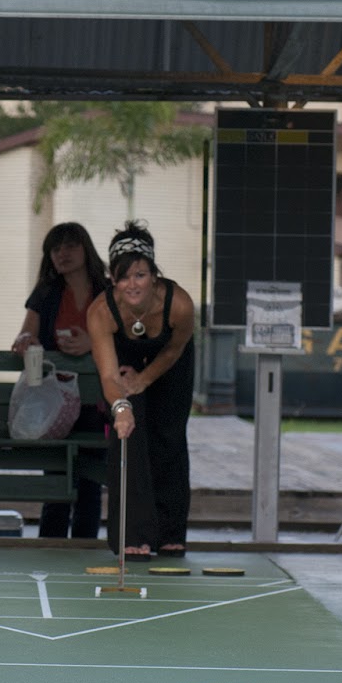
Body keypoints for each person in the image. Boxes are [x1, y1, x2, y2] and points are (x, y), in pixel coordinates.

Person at [87, 221, 196, 559]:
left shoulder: (180, 304)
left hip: (169, 362)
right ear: (113, 279)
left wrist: (144, 378)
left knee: (169, 435)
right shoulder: (101, 312)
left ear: (154, 275)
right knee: (129, 437)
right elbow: (107, 374)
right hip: (122, 365)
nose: (131, 285)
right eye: (123, 277)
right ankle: (132, 535)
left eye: (140, 275)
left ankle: (169, 531)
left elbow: (174, 350)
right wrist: (121, 406)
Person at [12, 222, 109, 539]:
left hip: (96, 402)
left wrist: (92, 344)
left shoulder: (108, 292)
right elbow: (26, 334)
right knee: (56, 478)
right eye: (55, 249)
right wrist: (26, 340)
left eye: (70, 246)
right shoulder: (46, 293)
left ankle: (84, 546)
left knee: (90, 483)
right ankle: (49, 546)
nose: (63, 254)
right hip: (55, 402)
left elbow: (123, 345)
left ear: (86, 249)